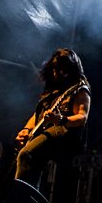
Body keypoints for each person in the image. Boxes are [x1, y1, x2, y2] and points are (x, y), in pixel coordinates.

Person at [14, 48, 91, 188]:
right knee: (30, 165)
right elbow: (38, 115)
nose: (57, 73)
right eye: (56, 69)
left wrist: (61, 119)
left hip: (65, 134)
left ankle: (19, 196)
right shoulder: (53, 91)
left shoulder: (80, 89)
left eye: (62, 69)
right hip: (46, 132)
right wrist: (26, 129)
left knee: (26, 155)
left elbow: (82, 117)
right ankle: (26, 198)